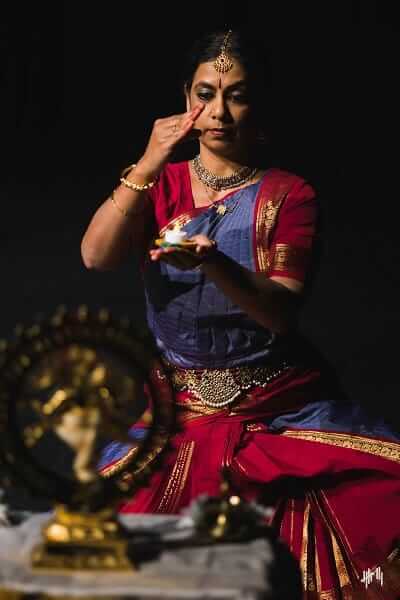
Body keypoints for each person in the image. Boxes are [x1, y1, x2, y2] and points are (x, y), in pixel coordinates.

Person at [81, 29, 400, 599]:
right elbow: (96, 255)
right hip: (180, 415)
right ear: (186, 98)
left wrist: (213, 263)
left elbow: (280, 313)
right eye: (205, 95)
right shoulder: (162, 184)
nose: (219, 113)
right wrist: (151, 158)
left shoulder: (289, 195)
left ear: (259, 105)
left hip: (274, 411)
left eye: (238, 96)